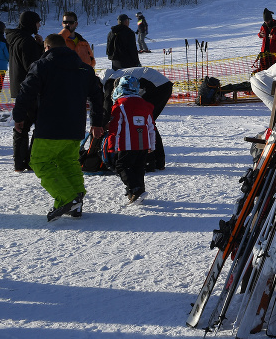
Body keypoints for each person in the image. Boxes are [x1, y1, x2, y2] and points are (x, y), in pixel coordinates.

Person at [11, 33, 104, 220]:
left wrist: (19, 117)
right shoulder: (85, 69)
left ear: (47, 48)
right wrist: (96, 122)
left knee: (39, 161)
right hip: (75, 126)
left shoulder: (42, 65)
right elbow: (97, 95)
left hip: (49, 126)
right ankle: (76, 198)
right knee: (67, 162)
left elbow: (26, 92)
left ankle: (66, 197)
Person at [102, 66, 172, 171]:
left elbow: (108, 105)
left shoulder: (110, 81)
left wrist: (104, 123)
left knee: (144, 123)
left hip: (159, 87)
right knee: (146, 122)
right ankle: (156, 160)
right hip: (162, 86)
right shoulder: (117, 75)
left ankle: (150, 160)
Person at [101, 75, 155, 203]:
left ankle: (134, 188)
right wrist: (151, 146)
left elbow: (115, 128)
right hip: (143, 143)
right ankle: (139, 189)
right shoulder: (145, 105)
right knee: (139, 167)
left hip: (126, 143)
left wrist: (112, 145)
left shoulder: (120, 105)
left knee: (122, 166)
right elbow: (151, 127)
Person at [6, 11, 44, 171]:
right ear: (31, 23)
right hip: (29, 89)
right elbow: (33, 66)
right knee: (39, 125)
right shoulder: (27, 41)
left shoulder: (15, 39)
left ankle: (20, 162)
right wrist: (40, 47)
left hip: (18, 88)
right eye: (37, 22)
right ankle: (29, 160)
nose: (39, 25)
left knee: (21, 126)